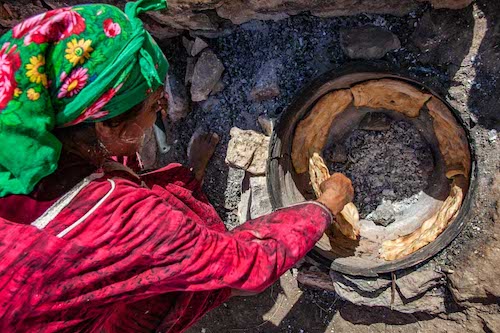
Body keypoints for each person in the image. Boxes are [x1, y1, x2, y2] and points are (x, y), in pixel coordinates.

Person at [0, 1, 354, 332]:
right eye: (155, 105)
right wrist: (323, 207)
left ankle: (188, 185)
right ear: (104, 126)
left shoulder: (24, 137)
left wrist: (186, 177)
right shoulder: (118, 222)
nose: (164, 111)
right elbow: (248, 264)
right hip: (107, 318)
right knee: (211, 282)